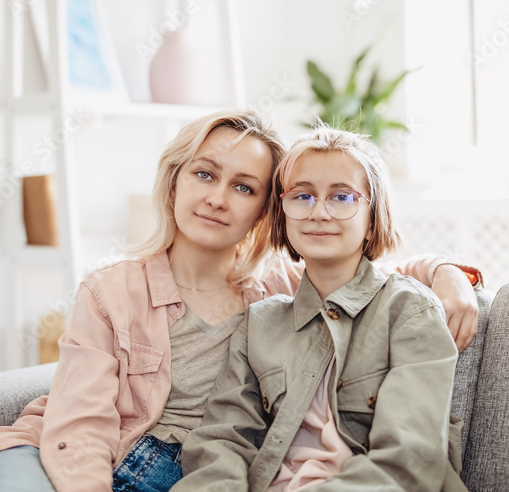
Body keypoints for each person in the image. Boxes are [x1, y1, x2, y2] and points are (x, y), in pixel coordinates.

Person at [0, 111, 480, 492]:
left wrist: (448, 273)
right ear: (176, 181)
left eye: (245, 187)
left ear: (266, 211)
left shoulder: (276, 291)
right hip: (68, 452)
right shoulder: (111, 290)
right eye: (204, 174)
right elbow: (81, 425)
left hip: (185, 470)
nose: (219, 198)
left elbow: (369, 271)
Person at [170, 127, 467, 491]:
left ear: (372, 219)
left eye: (342, 197)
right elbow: (221, 440)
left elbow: (408, 461)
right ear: (282, 214)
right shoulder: (259, 324)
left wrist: (446, 270)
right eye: (303, 196)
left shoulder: (408, 311)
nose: (319, 212)